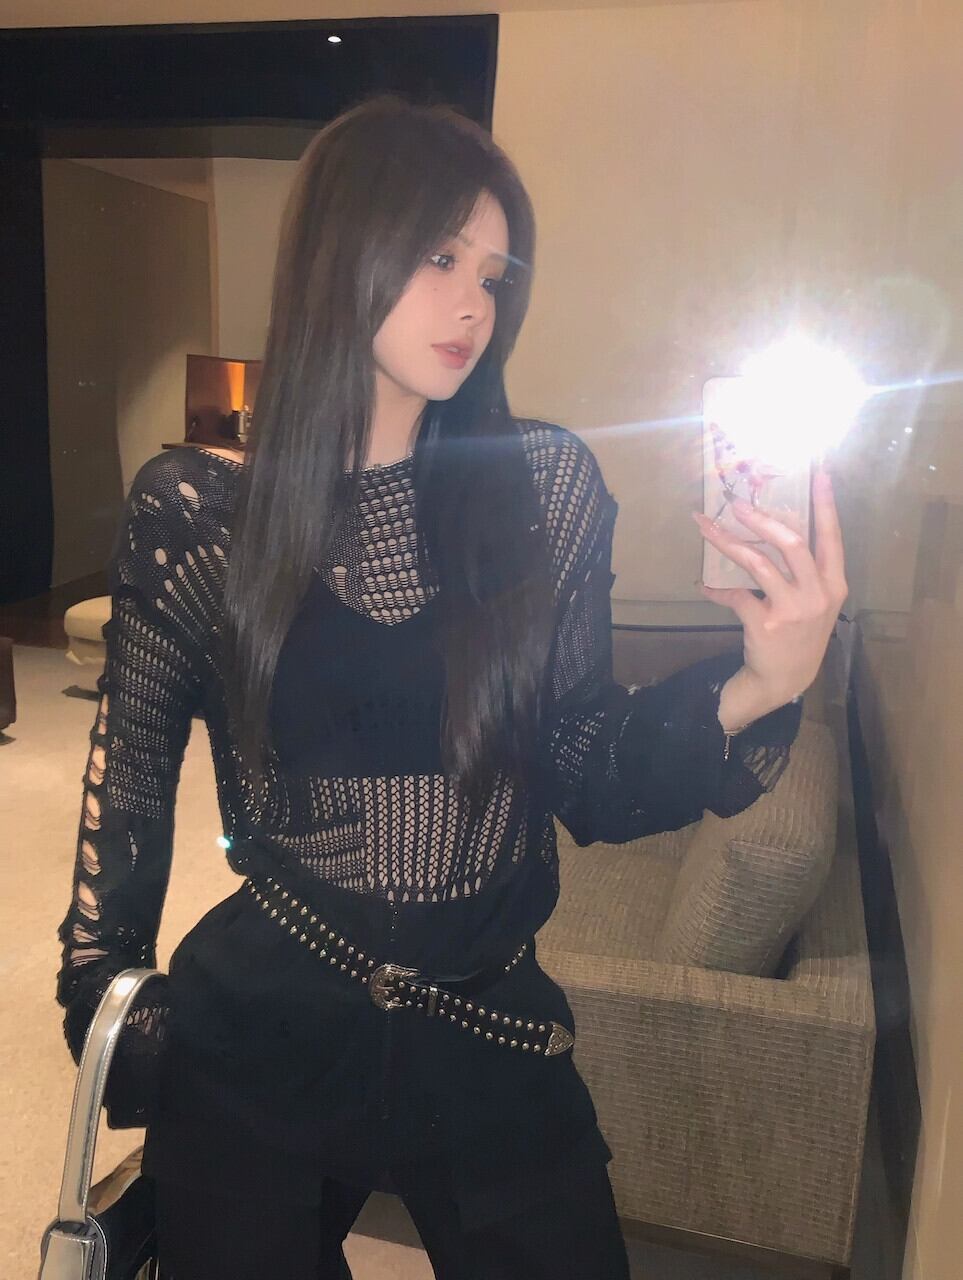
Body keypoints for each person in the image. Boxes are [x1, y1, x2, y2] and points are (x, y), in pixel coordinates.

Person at [54, 93, 848, 1280]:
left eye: (493, 271)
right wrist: (107, 992)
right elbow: (128, 780)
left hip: (485, 1014)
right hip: (268, 1012)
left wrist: (759, 681)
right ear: (341, 251)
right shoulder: (200, 509)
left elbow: (581, 758)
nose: (474, 302)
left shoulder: (545, 488)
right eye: (437, 257)